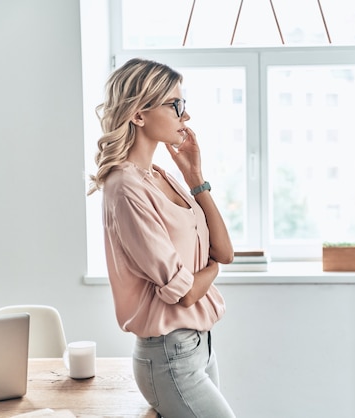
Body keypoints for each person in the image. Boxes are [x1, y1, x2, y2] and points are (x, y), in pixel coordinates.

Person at [88, 58, 236, 418]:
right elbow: (184, 293)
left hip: (200, 345)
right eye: (175, 105)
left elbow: (225, 252)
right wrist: (212, 269)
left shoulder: (160, 176)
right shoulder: (124, 187)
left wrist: (195, 177)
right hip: (170, 356)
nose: (184, 116)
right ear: (139, 114)